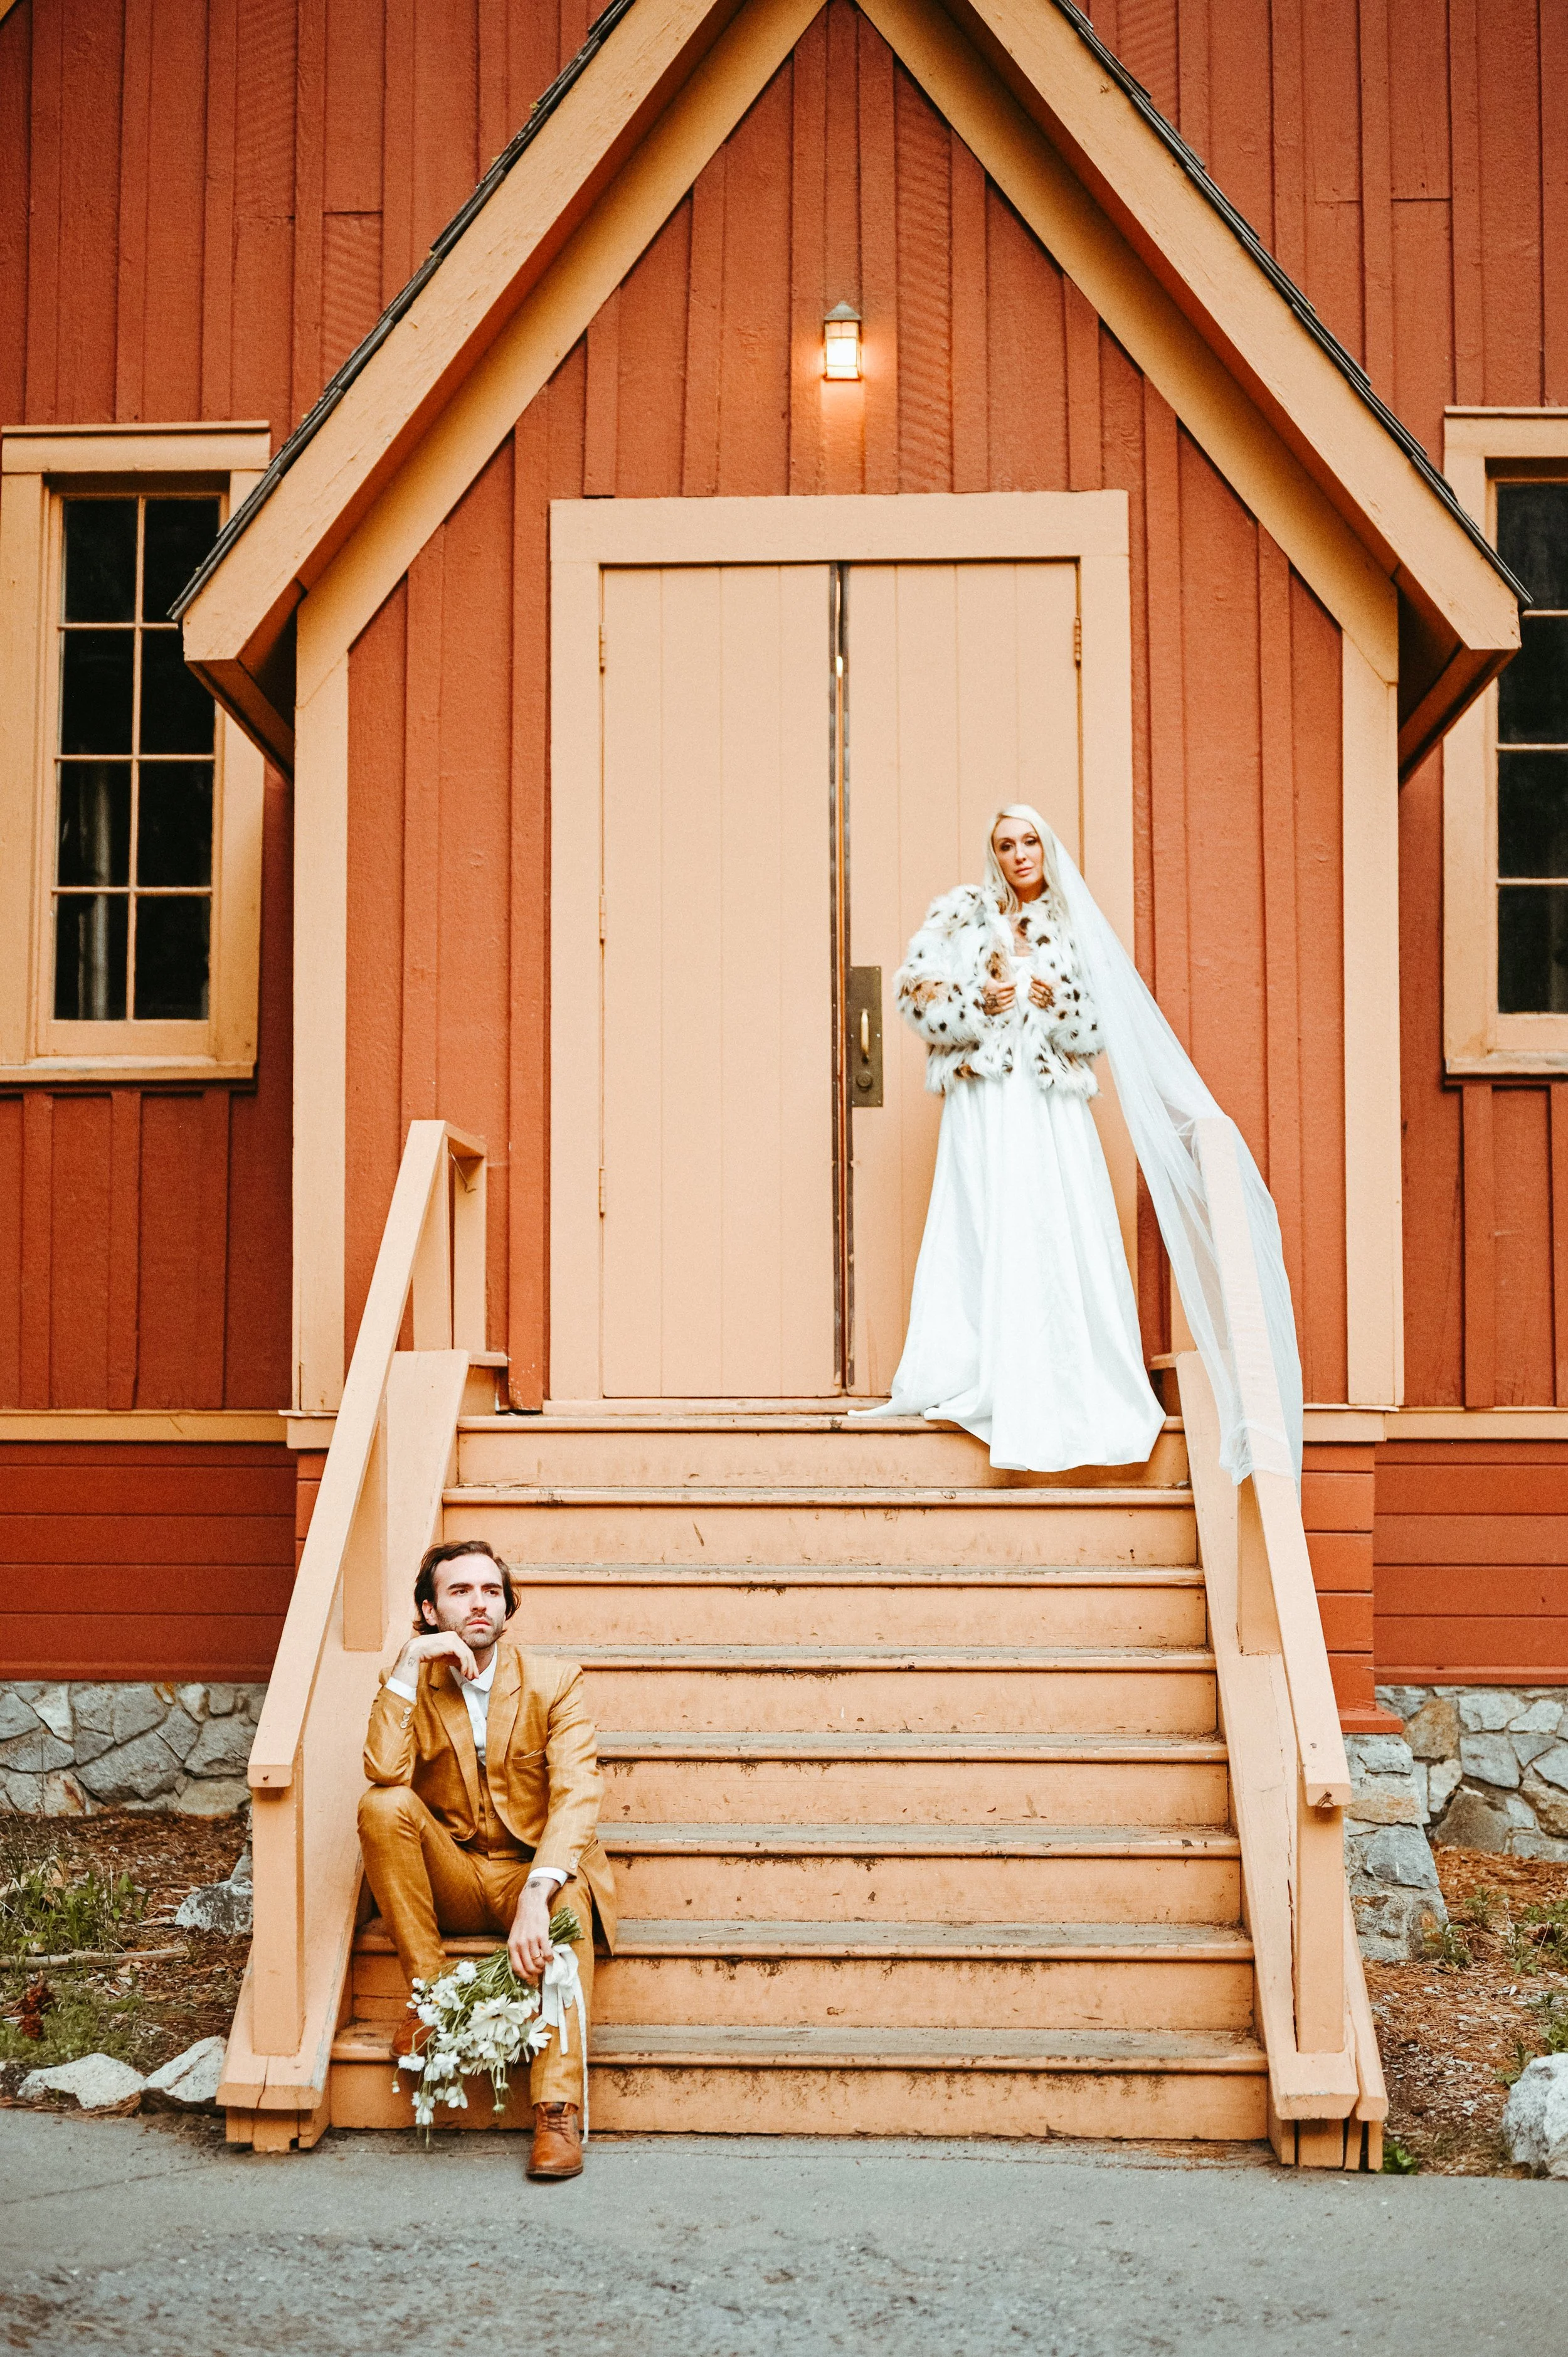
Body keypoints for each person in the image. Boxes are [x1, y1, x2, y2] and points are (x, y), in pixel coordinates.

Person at [858, 804, 1165, 1474]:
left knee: (1052, 1223)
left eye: (1030, 841)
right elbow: (914, 995)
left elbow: (1098, 1030)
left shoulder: (1072, 925)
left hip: (1048, 1103)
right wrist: (975, 1003)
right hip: (983, 1098)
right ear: (991, 853)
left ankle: (1055, 1374)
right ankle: (969, 1365)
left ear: (1045, 848)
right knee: (982, 1220)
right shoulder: (960, 915)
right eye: (1005, 844)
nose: (1019, 854)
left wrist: (1060, 1007)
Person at [358, 1536, 615, 2181]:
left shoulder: (554, 1683)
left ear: (506, 1607)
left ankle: (555, 2110)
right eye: (460, 1590)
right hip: (453, 1871)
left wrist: (537, 1893)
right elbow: (384, 1770)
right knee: (381, 1807)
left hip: (527, 1872)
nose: (479, 1603)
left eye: (491, 1591)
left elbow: (578, 1794)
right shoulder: (413, 1681)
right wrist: (409, 1662)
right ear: (429, 1609)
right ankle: (428, 1994)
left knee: (572, 1897)